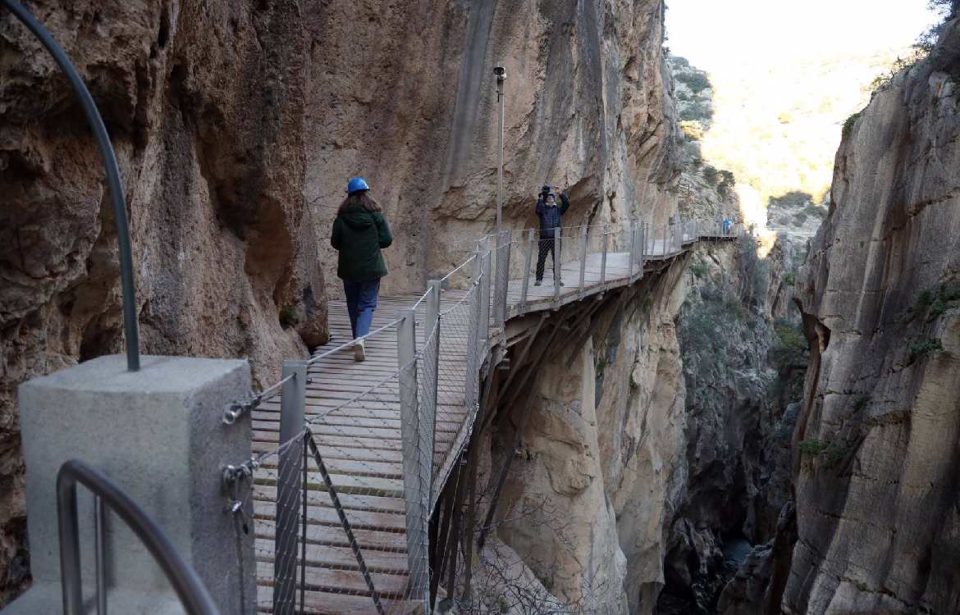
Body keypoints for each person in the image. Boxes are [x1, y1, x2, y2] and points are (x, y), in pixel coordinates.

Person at [330, 176, 393, 361]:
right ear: (366, 193)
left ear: (348, 195)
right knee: (366, 304)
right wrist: (372, 244)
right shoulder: (376, 216)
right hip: (372, 268)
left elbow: (335, 242)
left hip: (349, 268)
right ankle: (361, 338)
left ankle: (356, 339)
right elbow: (386, 240)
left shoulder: (341, 218)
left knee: (353, 303)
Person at [534, 185, 570, 286]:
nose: (550, 198)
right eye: (548, 197)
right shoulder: (542, 209)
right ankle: (539, 279)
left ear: (554, 199)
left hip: (556, 238)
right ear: (546, 199)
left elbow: (567, 203)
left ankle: (557, 279)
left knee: (557, 260)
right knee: (541, 259)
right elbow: (537, 210)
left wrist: (560, 193)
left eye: (552, 196)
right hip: (544, 238)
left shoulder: (558, 210)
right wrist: (541, 197)